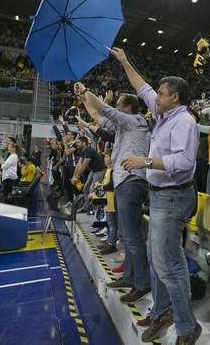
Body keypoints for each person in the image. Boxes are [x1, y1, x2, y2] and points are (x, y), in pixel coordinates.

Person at [112, 47, 201, 344]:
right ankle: (162, 310)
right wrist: (125, 61)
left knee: (168, 264)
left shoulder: (184, 122)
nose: (155, 98)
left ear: (174, 97)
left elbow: (185, 163)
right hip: (161, 196)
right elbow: (143, 87)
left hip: (174, 196)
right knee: (155, 258)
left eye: (161, 94)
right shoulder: (164, 113)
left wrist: (145, 161)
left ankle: (188, 327)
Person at [75, 83, 152, 305]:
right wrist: (83, 98)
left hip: (131, 181)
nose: (115, 107)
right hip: (124, 181)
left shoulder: (135, 121)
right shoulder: (123, 126)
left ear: (127, 108)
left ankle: (142, 283)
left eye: (119, 104)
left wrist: (86, 90)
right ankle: (130, 277)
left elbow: (104, 110)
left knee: (133, 236)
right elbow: (99, 116)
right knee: (128, 235)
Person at [72, 136, 106, 212]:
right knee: (86, 188)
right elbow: (79, 164)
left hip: (100, 170)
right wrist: (74, 176)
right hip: (94, 171)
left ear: (84, 143)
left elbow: (84, 165)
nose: (76, 144)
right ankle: (87, 208)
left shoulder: (89, 150)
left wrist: (77, 177)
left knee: (92, 189)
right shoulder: (82, 151)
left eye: (78, 142)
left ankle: (94, 210)